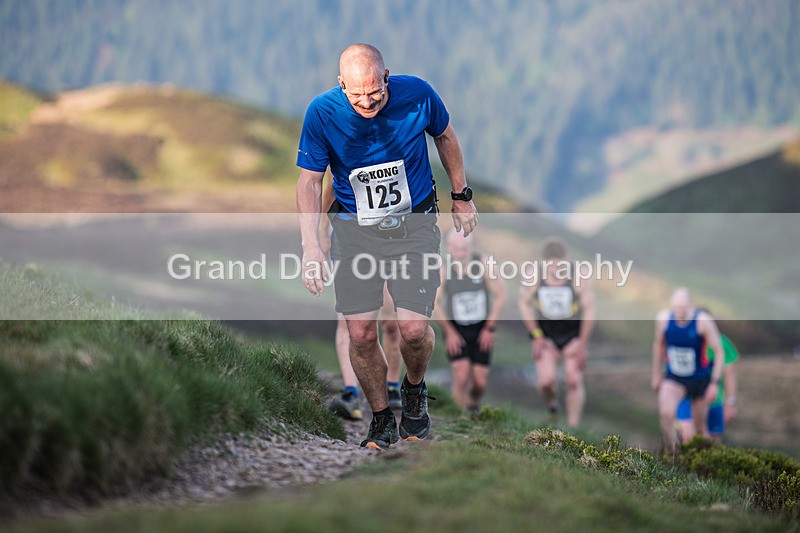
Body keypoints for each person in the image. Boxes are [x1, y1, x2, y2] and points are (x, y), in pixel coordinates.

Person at [296, 43, 478, 450]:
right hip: (354, 231)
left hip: (414, 224)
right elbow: (310, 181)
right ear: (341, 84)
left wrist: (461, 194)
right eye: (356, 94)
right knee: (360, 333)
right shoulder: (322, 112)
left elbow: (445, 136)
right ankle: (380, 420)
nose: (366, 101)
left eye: (374, 91)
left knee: (413, 330)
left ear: (387, 76)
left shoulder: (418, 94)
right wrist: (312, 247)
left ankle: (414, 390)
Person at [321, 179, 404, 420]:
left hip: (390, 237)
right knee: (348, 322)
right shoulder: (340, 144)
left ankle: (390, 384)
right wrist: (322, 232)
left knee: (390, 324)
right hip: (348, 239)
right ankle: (351, 392)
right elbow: (328, 187)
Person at [518, 237, 595, 428]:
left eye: (560, 265)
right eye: (551, 266)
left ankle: (573, 427)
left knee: (574, 380)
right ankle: (552, 407)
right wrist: (536, 336)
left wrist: (582, 344)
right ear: (543, 262)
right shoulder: (534, 277)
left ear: (567, 260)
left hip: (572, 336)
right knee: (545, 382)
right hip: (546, 336)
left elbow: (589, 310)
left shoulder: (579, 278)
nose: (555, 270)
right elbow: (523, 303)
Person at [433, 229, 506, 412]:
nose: (460, 253)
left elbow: (501, 296)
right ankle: (461, 420)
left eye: (464, 248)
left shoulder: (483, 264)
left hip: (482, 328)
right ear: (448, 248)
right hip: (456, 328)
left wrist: (490, 328)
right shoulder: (444, 269)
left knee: (480, 383)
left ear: (471, 246)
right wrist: (449, 332)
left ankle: (472, 404)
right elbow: (435, 303)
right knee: (462, 376)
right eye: (456, 248)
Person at [652, 288, 725, 455]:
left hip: (700, 380)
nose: (679, 312)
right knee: (665, 414)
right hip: (675, 377)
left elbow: (719, 351)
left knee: (700, 429)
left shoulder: (703, 321)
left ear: (690, 306)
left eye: (683, 309)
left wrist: (714, 383)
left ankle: (705, 462)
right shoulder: (663, 320)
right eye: (676, 309)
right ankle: (673, 455)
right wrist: (656, 373)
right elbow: (657, 345)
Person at [676, 322, 739, 443]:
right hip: (687, 400)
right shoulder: (686, 339)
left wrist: (730, 403)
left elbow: (729, 374)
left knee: (711, 442)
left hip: (714, 402)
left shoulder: (722, 343)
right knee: (688, 437)